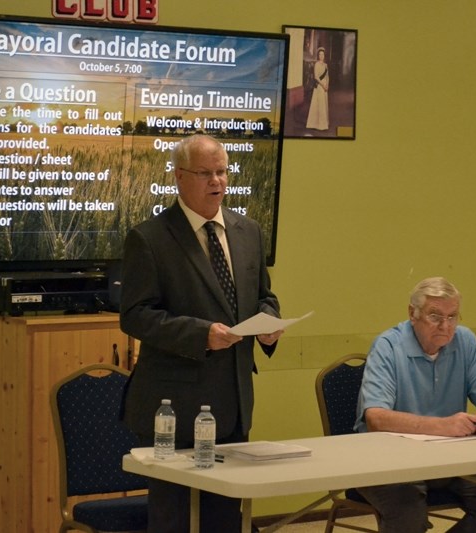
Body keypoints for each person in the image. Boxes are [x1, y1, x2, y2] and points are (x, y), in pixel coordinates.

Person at [120, 134, 282, 533]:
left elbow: (264, 297)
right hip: (175, 406)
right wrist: (200, 335)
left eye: (223, 172)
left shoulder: (248, 231)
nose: (218, 182)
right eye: (206, 173)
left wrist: (269, 324)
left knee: (224, 519)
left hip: (233, 402)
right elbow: (136, 316)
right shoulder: (150, 238)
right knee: (176, 519)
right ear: (179, 178)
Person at [354, 277, 476, 533]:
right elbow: (376, 419)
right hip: (388, 461)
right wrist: (442, 426)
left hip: (448, 459)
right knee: (408, 515)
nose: (445, 326)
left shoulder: (465, 341)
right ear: (412, 314)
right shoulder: (388, 346)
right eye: (435, 316)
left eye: (453, 316)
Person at [305, 47, 329, 131]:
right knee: (319, 104)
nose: (321, 56)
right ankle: (318, 124)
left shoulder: (326, 65)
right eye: (320, 54)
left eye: (322, 54)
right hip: (319, 86)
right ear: (318, 55)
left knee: (324, 104)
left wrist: (327, 85)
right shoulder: (317, 64)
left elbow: (327, 76)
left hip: (325, 87)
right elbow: (316, 77)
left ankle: (324, 123)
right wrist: (323, 85)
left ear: (324, 55)